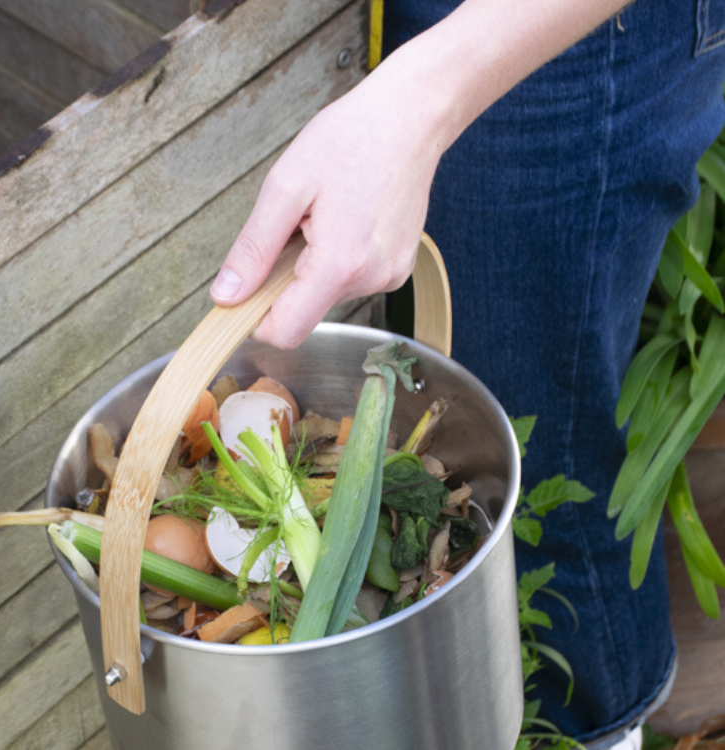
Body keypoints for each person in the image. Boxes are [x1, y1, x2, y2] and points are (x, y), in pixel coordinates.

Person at [209, 0, 725, 748]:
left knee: (548, 460)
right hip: (419, 33)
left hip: (564, 42)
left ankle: (590, 730)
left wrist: (417, 102)